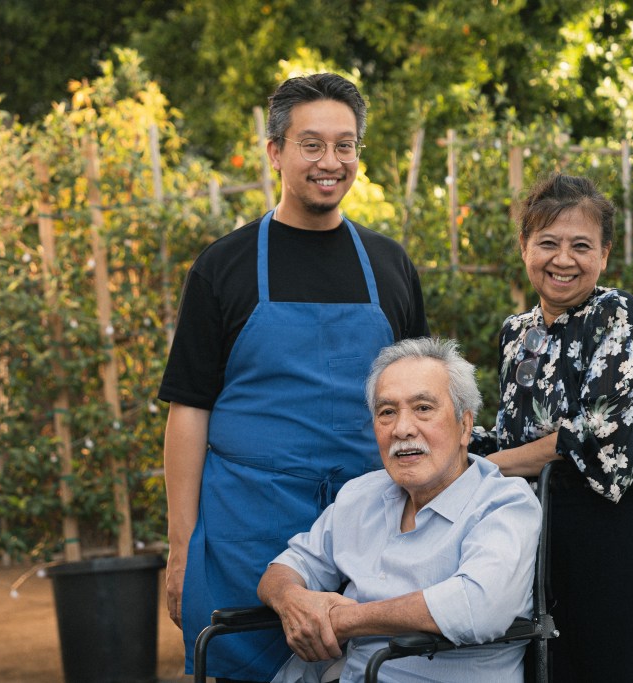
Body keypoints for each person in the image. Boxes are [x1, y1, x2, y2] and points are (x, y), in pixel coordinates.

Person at [158, 73, 430, 682]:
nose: (330, 162)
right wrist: (181, 549)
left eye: (346, 145)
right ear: (276, 152)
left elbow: (423, 400)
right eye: (311, 145)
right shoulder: (222, 267)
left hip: (370, 527)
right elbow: (188, 411)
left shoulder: (390, 265)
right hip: (245, 532)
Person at [470, 173, 633, 682]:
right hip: (537, 535)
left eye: (580, 246)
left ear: (604, 254)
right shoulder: (515, 333)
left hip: (616, 536)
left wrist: (480, 469)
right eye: (547, 243)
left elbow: (593, 436)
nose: (563, 259)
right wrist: (445, 449)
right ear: (525, 247)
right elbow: (510, 434)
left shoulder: (617, 314)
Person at [257, 337, 542, 683]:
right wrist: (292, 602)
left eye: (423, 408)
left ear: (465, 426)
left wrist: (346, 619)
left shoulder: (503, 503)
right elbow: (287, 567)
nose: (402, 429)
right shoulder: (361, 495)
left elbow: (478, 605)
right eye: (387, 412)